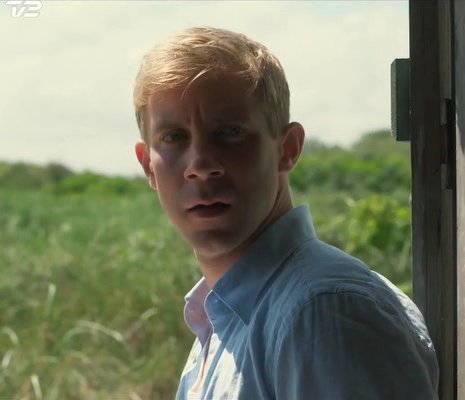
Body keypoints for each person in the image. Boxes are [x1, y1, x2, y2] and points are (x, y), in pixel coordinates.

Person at [132, 26, 439, 400]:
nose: (201, 164)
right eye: (173, 138)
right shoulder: (226, 316)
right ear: (147, 165)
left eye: (229, 132)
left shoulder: (322, 313)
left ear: (288, 149)